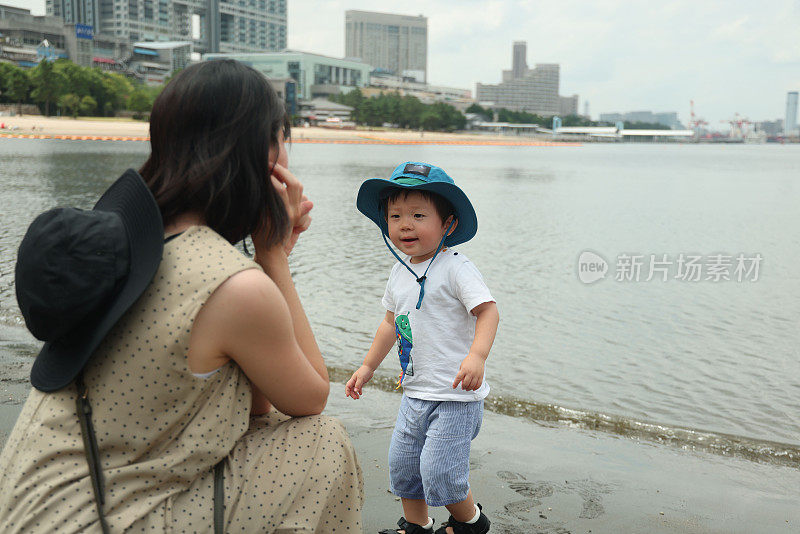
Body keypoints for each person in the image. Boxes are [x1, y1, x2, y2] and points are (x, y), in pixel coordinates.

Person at [0, 59, 363, 532]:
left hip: (28, 509)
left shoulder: (128, 243)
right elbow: (311, 399)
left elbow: (256, 406)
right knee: (323, 443)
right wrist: (273, 255)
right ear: (266, 157)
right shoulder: (235, 286)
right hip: (96, 523)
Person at [346, 162, 499, 534]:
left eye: (418, 215)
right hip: (415, 392)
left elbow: (488, 311)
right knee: (404, 466)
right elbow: (389, 324)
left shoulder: (456, 268)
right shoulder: (399, 273)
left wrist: (476, 356)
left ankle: (471, 523)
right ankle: (416, 526)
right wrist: (367, 367)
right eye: (395, 215)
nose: (405, 224)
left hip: (456, 396)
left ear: (447, 224)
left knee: (441, 472)